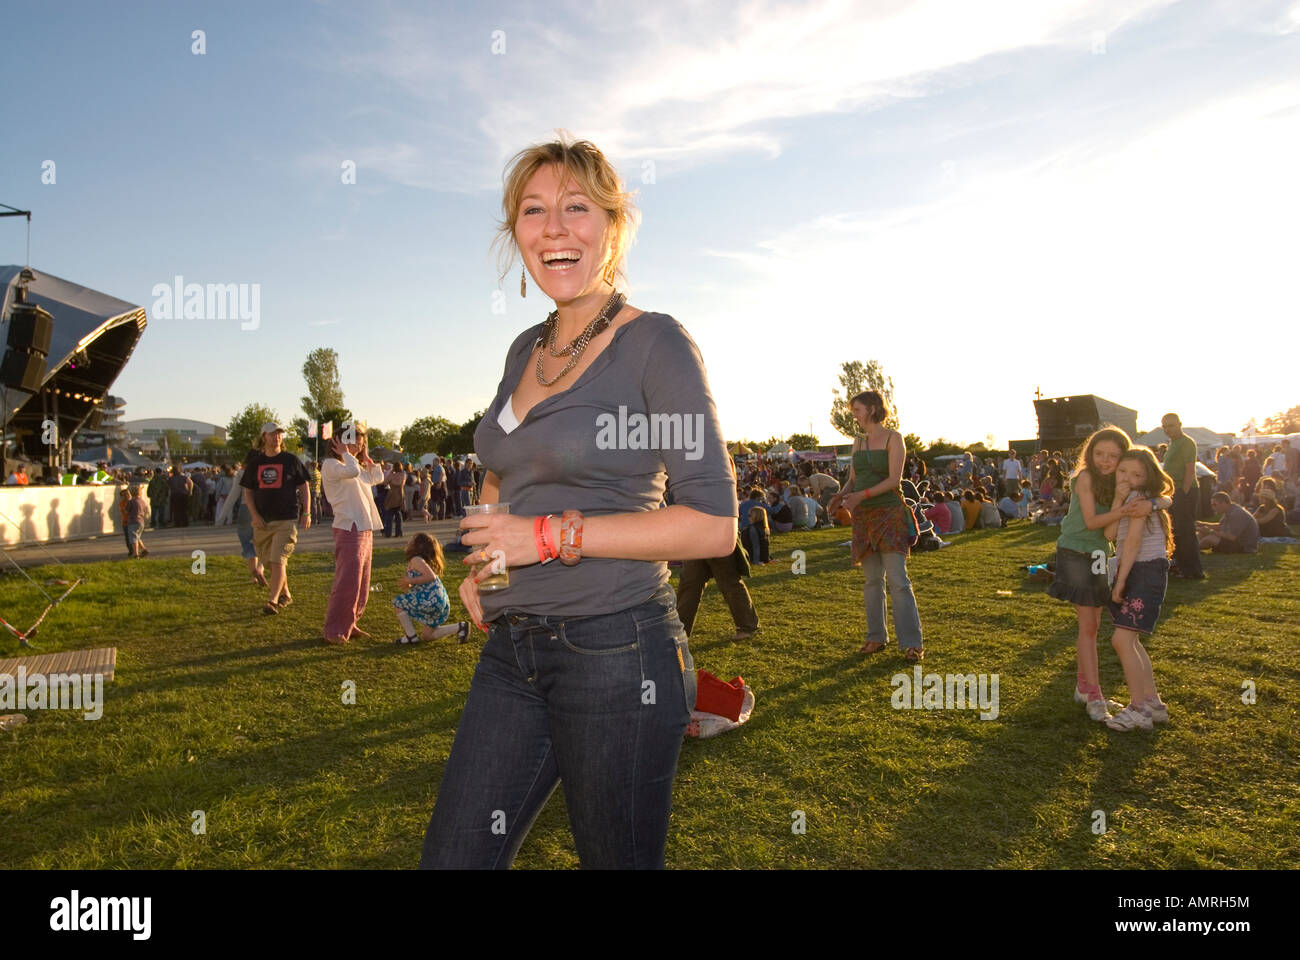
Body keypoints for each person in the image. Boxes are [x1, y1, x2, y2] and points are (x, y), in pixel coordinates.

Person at [419, 137, 734, 870]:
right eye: (533, 211)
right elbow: (499, 467)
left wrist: (551, 537)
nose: (554, 227)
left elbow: (715, 525)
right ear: (515, 235)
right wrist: (487, 560)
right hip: (514, 645)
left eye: (575, 207)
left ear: (612, 226)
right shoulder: (523, 348)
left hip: (618, 652)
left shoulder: (656, 344)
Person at [1047, 427, 1163, 723]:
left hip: (1099, 555)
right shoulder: (1085, 477)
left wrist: (1152, 503)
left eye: (1113, 456)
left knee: (1094, 624)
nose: (1105, 460)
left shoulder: (1121, 480)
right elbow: (1092, 521)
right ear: (1090, 452)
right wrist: (1127, 510)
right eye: (1099, 453)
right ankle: (1093, 694)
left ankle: (1084, 688)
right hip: (1075, 552)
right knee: (1088, 625)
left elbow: (1165, 495)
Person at [829, 391, 924, 661]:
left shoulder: (895, 438)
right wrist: (840, 495)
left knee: (898, 580)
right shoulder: (857, 442)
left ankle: (911, 643)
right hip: (863, 518)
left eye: (857, 410)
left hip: (889, 514)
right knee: (872, 581)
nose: (854, 416)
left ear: (872, 408)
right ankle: (876, 637)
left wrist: (861, 495)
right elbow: (853, 479)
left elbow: (895, 480)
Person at [1102, 446, 1173, 732]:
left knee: (1121, 640)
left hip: (1142, 571)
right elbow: (1109, 534)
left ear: (1147, 477)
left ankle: (1139, 710)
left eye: (1136, 474)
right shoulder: (1130, 498)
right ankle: (1152, 704)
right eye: (1123, 471)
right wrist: (1118, 498)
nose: (1128, 478)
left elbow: (1131, 543)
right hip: (1138, 569)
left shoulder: (1141, 499)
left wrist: (1120, 581)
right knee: (1130, 641)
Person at [321, 428, 385, 645]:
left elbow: (376, 477)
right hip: (348, 527)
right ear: (339, 443)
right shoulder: (332, 465)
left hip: (364, 527)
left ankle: (351, 622)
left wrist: (367, 459)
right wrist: (347, 454)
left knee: (362, 581)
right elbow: (352, 472)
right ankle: (335, 629)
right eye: (354, 443)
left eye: (361, 443)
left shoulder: (352, 463)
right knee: (348, 580)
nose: (358, 447)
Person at [241, 422, 311, 615]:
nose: (277, 437)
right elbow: (247, 491)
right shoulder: (256, 463)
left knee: (278, 559)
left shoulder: (290, 460)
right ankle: (285, 593)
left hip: (285, 520)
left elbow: (304, 487)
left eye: (279, 434)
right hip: (262, 522)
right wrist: (254, 516)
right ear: (264, 437)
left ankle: (271, 601)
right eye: (272, 434)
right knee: (271, 563)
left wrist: (307, 512)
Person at [393, 532, 469, 645]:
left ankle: (411, 636)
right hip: (438, 602)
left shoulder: (416, 560)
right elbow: (423, 580)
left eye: (411, 541)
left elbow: (430, 577)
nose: (408, 542)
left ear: (417, 546)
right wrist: (409, 584)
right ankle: (460, 627)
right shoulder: (418, 561)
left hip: (430, 600)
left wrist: (410, 581)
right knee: (427, 636)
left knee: (398, 602)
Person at [1160, 413, 1204, 580]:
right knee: (1176, 530)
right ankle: (1181, 566)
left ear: (1179, 424)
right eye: (1164, 426)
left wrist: (1183, 493)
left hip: (1185, 490)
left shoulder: (1186, 442)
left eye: (1170, 425)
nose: (1167, 429)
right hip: (1173, 491)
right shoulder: (1173, 444)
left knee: (1186, 530)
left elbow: (1189, 469)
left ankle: (1193, 570)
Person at [215, 466, 267, 586]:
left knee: (248, 543)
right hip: (263, 508)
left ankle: (254, 574)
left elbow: (233, 495)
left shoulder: (242, 472)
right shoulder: (267, 468)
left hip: (246, 508)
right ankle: (260, 568)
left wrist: (221, 518)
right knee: (263, 542)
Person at [123, 484, 150, 558]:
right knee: (137, 536)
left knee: (133, 538)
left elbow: (126, 511)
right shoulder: (142, 501)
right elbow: (145, 510)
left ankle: (136, 554)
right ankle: (143, 549)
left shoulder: (131, 501)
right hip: (141, 521)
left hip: (133, 521)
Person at [382, 462, 406, 538]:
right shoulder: (403, 475)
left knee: (389, 514)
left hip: (392, 494)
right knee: (398, 514)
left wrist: (391, 473)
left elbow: (385, 483)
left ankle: (388, 532)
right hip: (400, 493)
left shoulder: (392, 475)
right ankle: (399, 532)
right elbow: (402, 484)